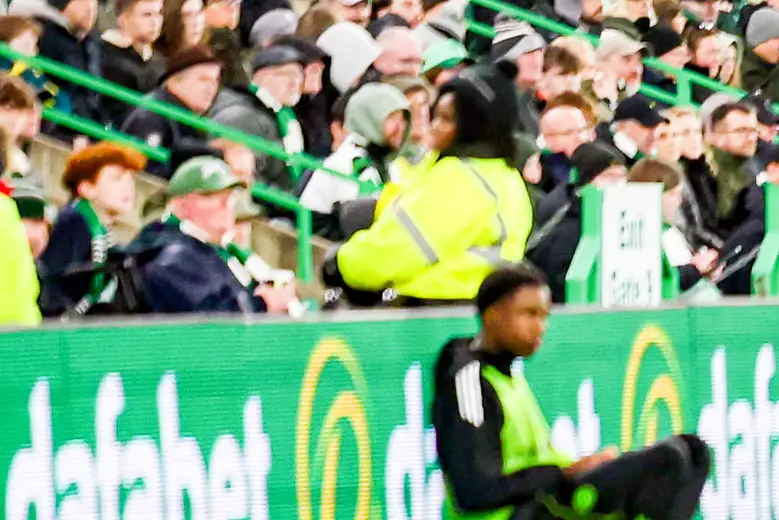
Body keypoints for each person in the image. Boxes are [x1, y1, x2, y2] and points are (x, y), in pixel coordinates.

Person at [437, 265, 718, 520]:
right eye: (529, 314)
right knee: (668, 458)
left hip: (548, 497)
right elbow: (473, 493)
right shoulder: (469, 381)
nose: (540, 327)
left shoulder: (508, 375)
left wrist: (580, 468)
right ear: (493, 315)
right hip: (522, 511)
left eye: (544, 316)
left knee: (693, 451)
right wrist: (560, 475)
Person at [339, 75, 536, 302]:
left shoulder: (461, 178)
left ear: (472, 127)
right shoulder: (504, 175)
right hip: (477, 309)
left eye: (445, 119)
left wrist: (342, 263)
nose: (433, 127)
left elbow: (398, 249)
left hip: (434, 313)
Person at [124, 155, 292, 313]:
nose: (226, 205)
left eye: (228, 197)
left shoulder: (207, 249)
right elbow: (211, 323)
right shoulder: (171, 253)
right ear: (181, 206)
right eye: (213, 195)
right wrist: (263, 304)